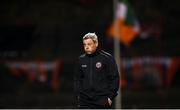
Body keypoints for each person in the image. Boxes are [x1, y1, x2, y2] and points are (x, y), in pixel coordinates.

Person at [74, 32, 119, 109]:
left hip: (102, 100)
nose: (86, 47)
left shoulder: (107, 58)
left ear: (96, 43)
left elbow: (115, 78)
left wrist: (110, 97)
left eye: (89, 44)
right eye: (84, 44)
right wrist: (78, 96)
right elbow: (77, 79)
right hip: (85, 101)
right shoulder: (81, 59)